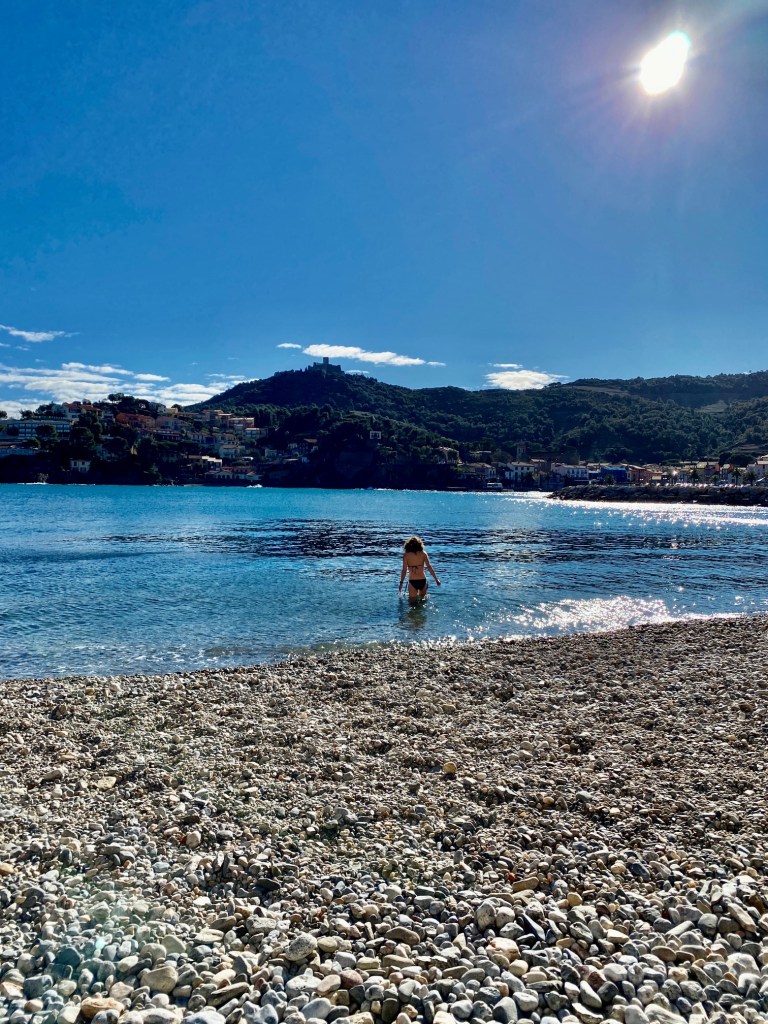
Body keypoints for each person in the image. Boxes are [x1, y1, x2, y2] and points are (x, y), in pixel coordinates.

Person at [398, 535, 441, 604]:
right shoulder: (423, 553)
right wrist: (436, 579)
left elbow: (404, 570)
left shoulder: (406, 555)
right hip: (423, 581)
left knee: (412, 604)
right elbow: (429, 567)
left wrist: (401, 583)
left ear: (408, 545)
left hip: (412, 581)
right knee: (422, 603)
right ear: (420, 545)